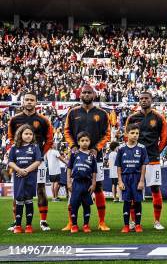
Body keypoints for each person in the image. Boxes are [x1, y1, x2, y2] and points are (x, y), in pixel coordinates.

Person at [63, 85, 111, 231]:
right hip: (77, 157)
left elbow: (107, 134)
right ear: (80, 94)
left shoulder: (102, 113)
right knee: (73, 188)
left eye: (89, 92)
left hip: (96, 156)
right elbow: (66, 131)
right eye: (84, 92)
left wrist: (96, 149)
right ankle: (71, 222)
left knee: (98, 187)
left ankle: (101, 222)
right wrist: (72, 146)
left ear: (94, 95)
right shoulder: (72, 112)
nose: (86, 94)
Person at [7, 92, 54, 231]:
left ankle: (43, 221)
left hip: (38, 161)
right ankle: (16, 222)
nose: (29, 102)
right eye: (26, 100)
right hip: (19, 161)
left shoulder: (43, 120)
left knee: (40, 189)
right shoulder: (14, 119)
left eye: (31, 100)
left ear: (36, 102)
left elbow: (49, 140)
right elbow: (11, 138)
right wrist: (19, 152)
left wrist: (39, 156)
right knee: (18, 191)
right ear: (23, 101)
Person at [125, 91, 167, 230]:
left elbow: (165, 137)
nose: (144, 100)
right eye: (141, 99)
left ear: (151, 100)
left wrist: (156, 151)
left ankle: (157, 221)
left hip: (153, 159)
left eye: (146, 98)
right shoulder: (132, 118)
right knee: (133, 190)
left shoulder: (158, 117)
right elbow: (127, 137)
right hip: (135, 160)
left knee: (155, 188)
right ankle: (133, 222)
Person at [8, 124, 43, 234]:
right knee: (19, 200)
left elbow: (38, 161)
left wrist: (26, 170)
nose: (28, 136)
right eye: (26, 133)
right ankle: (18, 225)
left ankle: (28, 225)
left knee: (28, 199)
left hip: (30, 177)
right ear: (20, 134)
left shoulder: (35, 147)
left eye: (30, 134)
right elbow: (10, 162)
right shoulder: (14, 148)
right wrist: (18, 169)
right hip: (18, 177)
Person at [116, 124, 149, 233]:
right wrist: (120, 181)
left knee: (137, 201)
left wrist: (141, 180)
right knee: (127, 202)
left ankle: (138, 225)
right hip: (125, 178)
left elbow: (144, 165)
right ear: (126, 134)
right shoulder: (121, 149)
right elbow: (119, 166)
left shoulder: (142, 148)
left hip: (137, 178)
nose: (135, 135)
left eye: (137, 133)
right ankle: (126, 225)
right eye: (132, 133)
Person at [66, 132, 97, 233]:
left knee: (86, 204)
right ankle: (74, 225)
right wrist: (69, 182)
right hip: (76, 183)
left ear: (89, 142)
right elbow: (69, 168)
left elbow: (94, 172)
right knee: (74, 204)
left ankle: (86, 225)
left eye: (86, 141)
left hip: (87, 183)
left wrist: (93, 184)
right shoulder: (74, 154)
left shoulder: (92, 156)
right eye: (82, 141)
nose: (84, 143)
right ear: (78, 142)